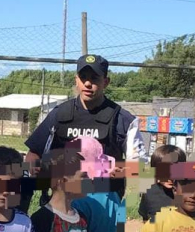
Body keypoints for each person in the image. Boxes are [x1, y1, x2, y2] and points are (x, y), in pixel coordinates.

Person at [20, 54, 145, 212]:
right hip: (65, 204)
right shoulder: (59, 114)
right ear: (76, 80)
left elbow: (139, 168)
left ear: (106, 82)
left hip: (106, 205)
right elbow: (33, 154)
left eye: (94, 78)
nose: (88, 83)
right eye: (83, 77)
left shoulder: (123, 119)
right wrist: (35, 169)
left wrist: (119, 172)